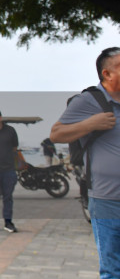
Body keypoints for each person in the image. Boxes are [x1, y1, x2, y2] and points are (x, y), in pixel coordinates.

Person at [50, 47, 120, 278]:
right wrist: (92, 123)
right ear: (107, 73)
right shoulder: (88, 101)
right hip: (107, 199)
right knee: (112, 270)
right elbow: (57, 134)